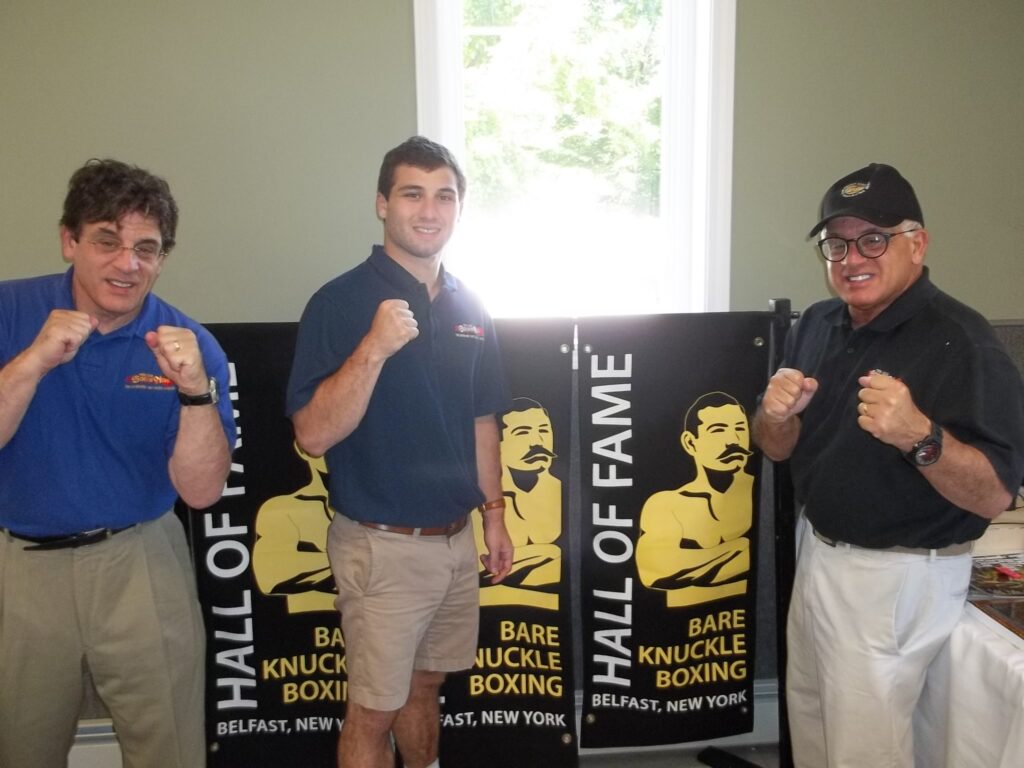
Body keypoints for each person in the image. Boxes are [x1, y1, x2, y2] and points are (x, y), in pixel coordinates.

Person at [751, 162, 1024, 767]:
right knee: (816, 729)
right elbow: (778, 448)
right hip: (818, 551)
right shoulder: (819, 324)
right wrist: (773, 416)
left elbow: (995, 496)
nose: (853, 258)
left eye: (874, 238)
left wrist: (919, 437)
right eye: (837, 243)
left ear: (917, 243)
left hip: (895, 577)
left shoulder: (964, 342)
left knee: (865, 752)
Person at [0, 159, 236, 768]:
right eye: (107, 241)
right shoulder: (10, 311)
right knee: (20, 749)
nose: (127, 264)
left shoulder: (188, 342)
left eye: (146, 249)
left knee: (171, 752)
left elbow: (204, 490)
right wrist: (33, 361)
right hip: (22, 571)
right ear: (69, 240)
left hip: (141, 565)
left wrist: (193, 391)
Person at [286, 135, 513, 768]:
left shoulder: (470, 303)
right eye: (413, 194)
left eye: (445, 196)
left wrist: (493, 514)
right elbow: (312, 434)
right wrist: (375, 348)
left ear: (459, 210)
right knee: (373, 710)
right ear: (383, 204)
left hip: (454, 541)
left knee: (425, 686)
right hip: (381, 546)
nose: (430, 210)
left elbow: (482, 418)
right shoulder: (340, 301)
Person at [636, 391, 754, 607]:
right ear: (690, 443)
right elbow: (654, 572)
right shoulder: (667, 503)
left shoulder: (759, 493)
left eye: (740, 428)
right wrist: (739, 548)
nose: (733, 440)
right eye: (718, 430)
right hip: (671, 629)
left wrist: (693, 562)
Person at [473, 397, 563, 610]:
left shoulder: (564, 491)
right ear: (497, 440)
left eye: (544, 430)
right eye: (523, 432)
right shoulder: (479, 496)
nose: (537, 442)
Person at [252, 442, 337, 613]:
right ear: (300, 448)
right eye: (329, 438)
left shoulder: (384, 504)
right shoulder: (283, 508)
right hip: (306, 621)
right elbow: (270, 575)